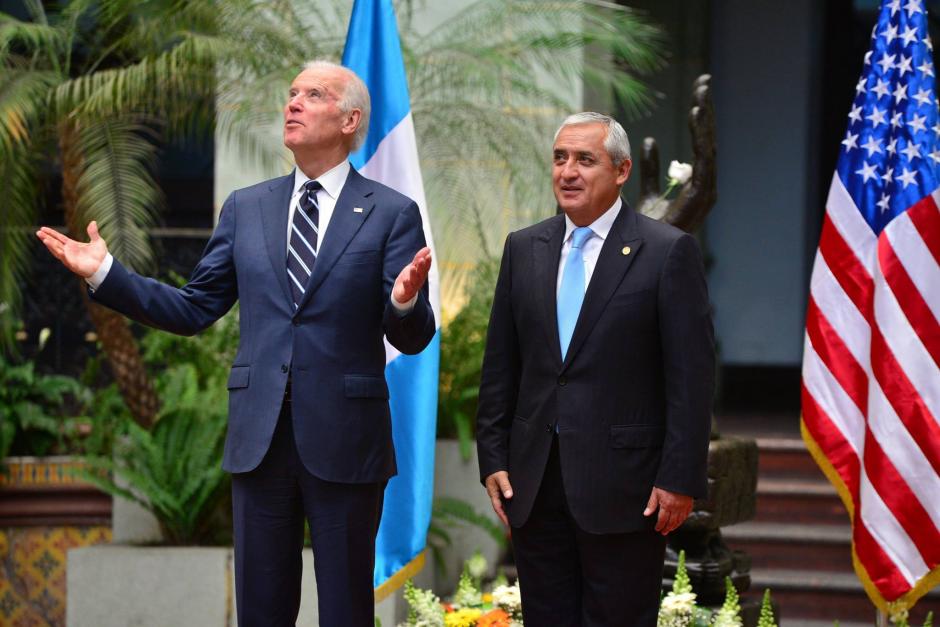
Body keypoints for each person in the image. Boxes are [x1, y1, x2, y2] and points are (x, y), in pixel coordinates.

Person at [37, 60, 435, 627]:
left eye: (312, 95)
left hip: (347, 440)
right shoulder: (247, 207)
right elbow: (194, 307)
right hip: (260, 438)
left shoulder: (391, 213)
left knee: (346, 609)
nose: (292, 103)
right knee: (260, 611)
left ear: (351, 120)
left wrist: (402, 302)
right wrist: (107, 273)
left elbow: (413, 336)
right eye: (291, 92)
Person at [476, 112, 714, 626]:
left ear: (622, 170)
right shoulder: (524, 248)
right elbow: (502, 366)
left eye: (585, 160)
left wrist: (679, 476)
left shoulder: (667, 251)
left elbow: (690, 379)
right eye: (560, 158)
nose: (568, 171)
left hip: (627, 488)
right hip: (535, 485)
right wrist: (492, 456)